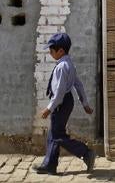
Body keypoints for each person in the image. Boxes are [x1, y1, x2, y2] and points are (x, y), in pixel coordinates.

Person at [33, 32, 95, 175]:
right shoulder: (69, 64)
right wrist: (84, 103)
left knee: (57, 135)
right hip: (66, 102)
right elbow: (78, 85)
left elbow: (59, 92)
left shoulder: (61, 67)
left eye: (51, 50)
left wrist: (49, 108)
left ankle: (86, 153)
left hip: (61, 103)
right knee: (53, 133)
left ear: (60, 51)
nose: (50, 52)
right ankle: (49, 164)